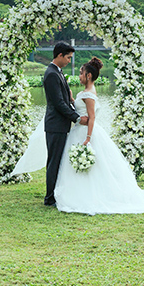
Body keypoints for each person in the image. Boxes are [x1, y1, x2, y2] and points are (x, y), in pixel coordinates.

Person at [13, 56, 144, 215]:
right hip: (77, 131)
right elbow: (81, 109)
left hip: (84, 133)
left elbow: (91, 118)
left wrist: (88, 138)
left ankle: (84, 194)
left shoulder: (89, 94)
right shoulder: (85, 92)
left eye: (81, 73)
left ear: (88, 76)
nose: (79, 76)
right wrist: (72, 100)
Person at [39, 41, 87, 207]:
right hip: (55, 125)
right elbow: (58, 103)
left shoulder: (57, 72)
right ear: (59, 55)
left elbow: (63, 99)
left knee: (58, 161)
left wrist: (71, 99)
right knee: (54, 161)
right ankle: (50, 198)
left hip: (60, 125)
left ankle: (55, 194)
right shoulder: (51, 74)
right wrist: (77, 118)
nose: (69, 61)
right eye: (68, 57)